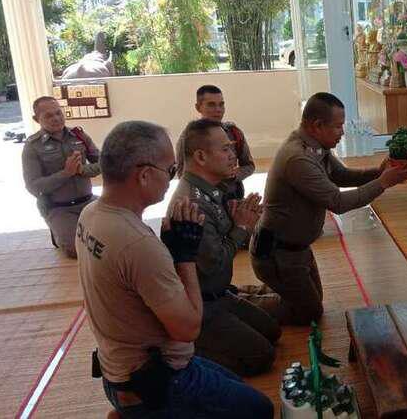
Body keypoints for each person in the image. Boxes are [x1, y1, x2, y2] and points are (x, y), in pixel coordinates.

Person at [76, 120, 273, 418]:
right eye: (170, 170)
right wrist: (183, 257)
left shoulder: (91, 213)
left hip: (119, 369)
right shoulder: (137, 243)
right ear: (144, 175)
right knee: (260, 409)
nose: (173, 179)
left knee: (238, 384)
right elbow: (188, 329)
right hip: (156, 381)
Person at [250, 92, 407, 325]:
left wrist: (380, 172)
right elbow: (338, 202)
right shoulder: (298, 158)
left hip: (297, 250)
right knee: (309, 313)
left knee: (312, 302)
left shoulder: (316, 147)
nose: (342, 132)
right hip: (277, 253)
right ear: (317, 126)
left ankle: (254, 295)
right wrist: (383, 183)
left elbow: (341, 175)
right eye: (338, 126)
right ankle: (237, 306)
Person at [170, 118, 282, 376]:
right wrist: (241, 228)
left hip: (219, 293)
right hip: (202, 303)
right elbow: (215, 264)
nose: (233, 155)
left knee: (272, 331)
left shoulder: (211, 190)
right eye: (225, 149)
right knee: (262, 356)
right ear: (200, 156)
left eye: (231, 148)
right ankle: (181, 353)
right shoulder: (193, 203)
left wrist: (238, 221)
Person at [22, 96, 100, 258]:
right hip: (59, 208)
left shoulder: (79, 136)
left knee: (115, 237)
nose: (56, 118)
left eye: (58, 113)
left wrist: (82, 170)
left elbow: (103, 163)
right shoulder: (32, 146)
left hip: (89, 202)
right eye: (48, 115)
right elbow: (33, 186)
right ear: (36, 119)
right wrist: (65, 174)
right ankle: (59, 232)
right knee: (76, 251)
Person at [177, 85, 255, 200]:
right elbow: (182, 174)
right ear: (198, 107)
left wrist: (235, 175)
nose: (218, 109)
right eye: (211, 105)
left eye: (221, 104)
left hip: (233, 198)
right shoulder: (188, 138)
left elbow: (249, 165)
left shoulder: (234, 132)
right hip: (205, 200)